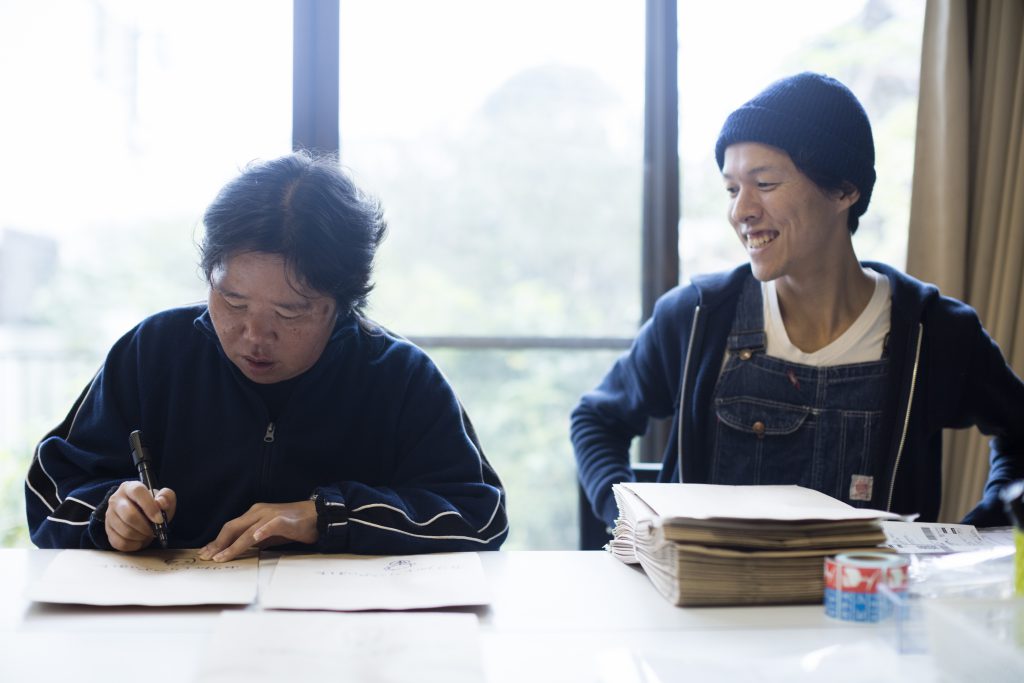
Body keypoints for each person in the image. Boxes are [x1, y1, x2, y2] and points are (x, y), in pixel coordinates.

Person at [572, 72, 1024, 531]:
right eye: (732, 189)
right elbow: (595, 419)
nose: (740, 210)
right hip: (697, 603)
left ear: (845, 190)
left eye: (764, 183)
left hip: (866, 603)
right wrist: (628, 520)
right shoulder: (695, 318)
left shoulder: (936, 333)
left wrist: (978, 534)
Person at [26, 152, 508, 559]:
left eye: (290, 311)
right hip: (172, 640)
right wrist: (108, 510)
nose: (255, 335)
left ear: (342, 303)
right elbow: (48, 490)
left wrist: (329, 516)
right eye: (232, 302)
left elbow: (481, 519)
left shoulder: (400, 378)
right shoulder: (152, 352)